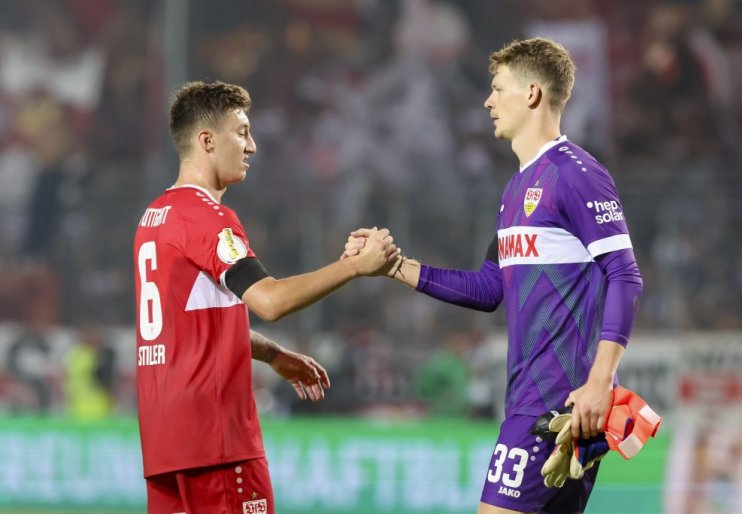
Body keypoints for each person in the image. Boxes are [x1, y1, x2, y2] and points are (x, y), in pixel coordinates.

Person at [346, 38, 643, 514]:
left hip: (556, 402)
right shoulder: (515, 189)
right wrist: (395, 266)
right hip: (538, 403)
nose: (488, 101)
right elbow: (489, 288)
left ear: (531, 93)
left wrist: (600, 383)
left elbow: (625, 276)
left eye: (498, 88)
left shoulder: (576, 174)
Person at [133, 80, 398, 514]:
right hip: (216, 440)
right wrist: (353, 267)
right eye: (241, 132)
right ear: (207, 141)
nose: (251, 146)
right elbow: (269, 301)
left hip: (166, 443)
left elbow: (191, 327)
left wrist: (272, 354)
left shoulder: (154, 217)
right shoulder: (208, 217)